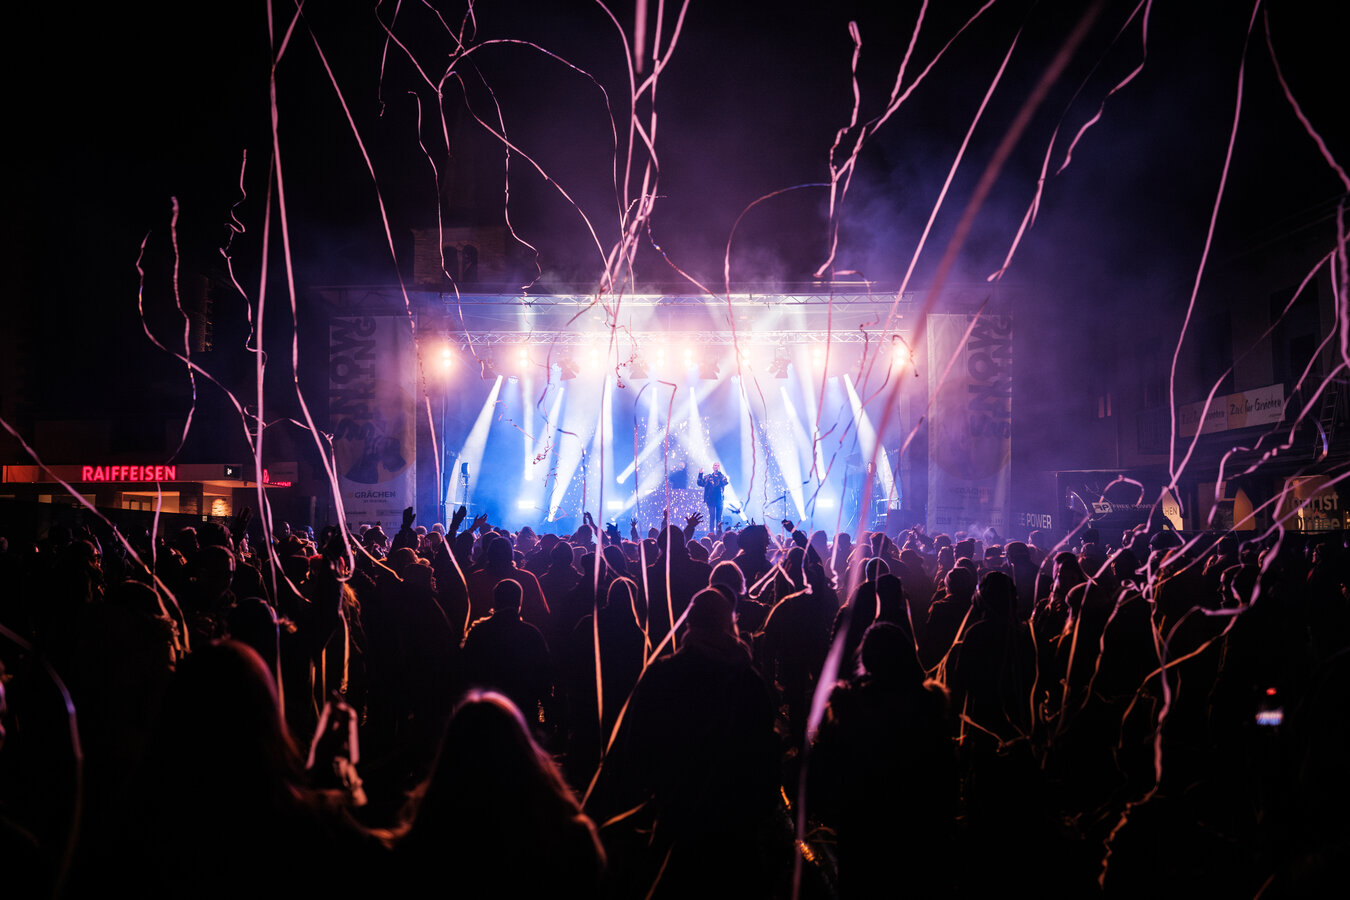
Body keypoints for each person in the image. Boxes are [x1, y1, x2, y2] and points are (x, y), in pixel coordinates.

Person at [696, 462, 730, 534]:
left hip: (719, 500)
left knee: (718, 518)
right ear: (713, 467)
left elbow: (725, 482)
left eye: (718, 465)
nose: (716, 466)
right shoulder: (708, 477)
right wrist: (700, 474)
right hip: (710, 500)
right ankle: (711, 533)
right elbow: (700, 483)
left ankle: (718, 533)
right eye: (715, 465)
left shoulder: (722, 477)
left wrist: (720, 473)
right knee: (712, 517)